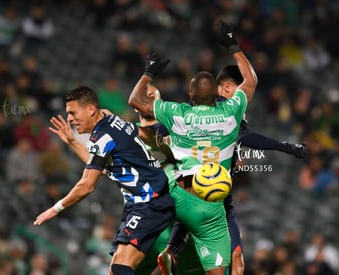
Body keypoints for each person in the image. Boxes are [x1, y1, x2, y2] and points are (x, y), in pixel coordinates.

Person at [128, 20, 257, 275]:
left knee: (161, 163)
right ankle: (171, 251)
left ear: (190, 95)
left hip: (177, 196)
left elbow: (135, 100)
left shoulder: (179, 113)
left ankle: (158, 249)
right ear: (217, 96)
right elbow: (251, 81)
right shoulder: (231, 111)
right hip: (211, 206)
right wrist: (233, 45)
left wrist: (148, 73)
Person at [33, 86, 175, 275]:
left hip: (149, 202)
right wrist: (73, 142)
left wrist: (56, 208)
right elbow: (99, 169)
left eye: (72, 112)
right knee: (117, 270)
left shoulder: (103, 137)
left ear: (91, 110)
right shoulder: (111, 121)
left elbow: (86, 186)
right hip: (144, 202)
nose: (69, 119)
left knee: (119, 268)